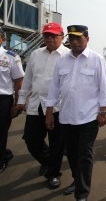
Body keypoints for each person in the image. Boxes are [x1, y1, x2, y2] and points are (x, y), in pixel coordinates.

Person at [45, 25, 106, 201]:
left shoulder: (97, 59)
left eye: (78, 38)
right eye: (72, 38)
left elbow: (104, 88)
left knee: (84, 153)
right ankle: (77, 180)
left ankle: (82, 193)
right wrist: (49, 112)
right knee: (72, 153)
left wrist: (103, 111)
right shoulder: (62, 60)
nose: (74, 42)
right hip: (66, 116)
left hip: (89, 116)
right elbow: (54, 88)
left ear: (87, 39)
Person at [14, 22, 69, 188]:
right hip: (36, 104)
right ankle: (48, 161)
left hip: (59, 106)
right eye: (46, 35)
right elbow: (28, 79)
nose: (50, 38)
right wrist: (21, 101)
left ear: (62, 37)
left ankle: (53, 173)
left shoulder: (69, 55)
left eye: (53, 35)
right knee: (31, 140)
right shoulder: (36, 54)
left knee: (57, 143)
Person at [0, 27, 24, 173]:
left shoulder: (10, 57)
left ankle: (1, 159)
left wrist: (17, 103)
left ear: (2, 39)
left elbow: (18, 81)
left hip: (2, 100)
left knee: (1, 132)